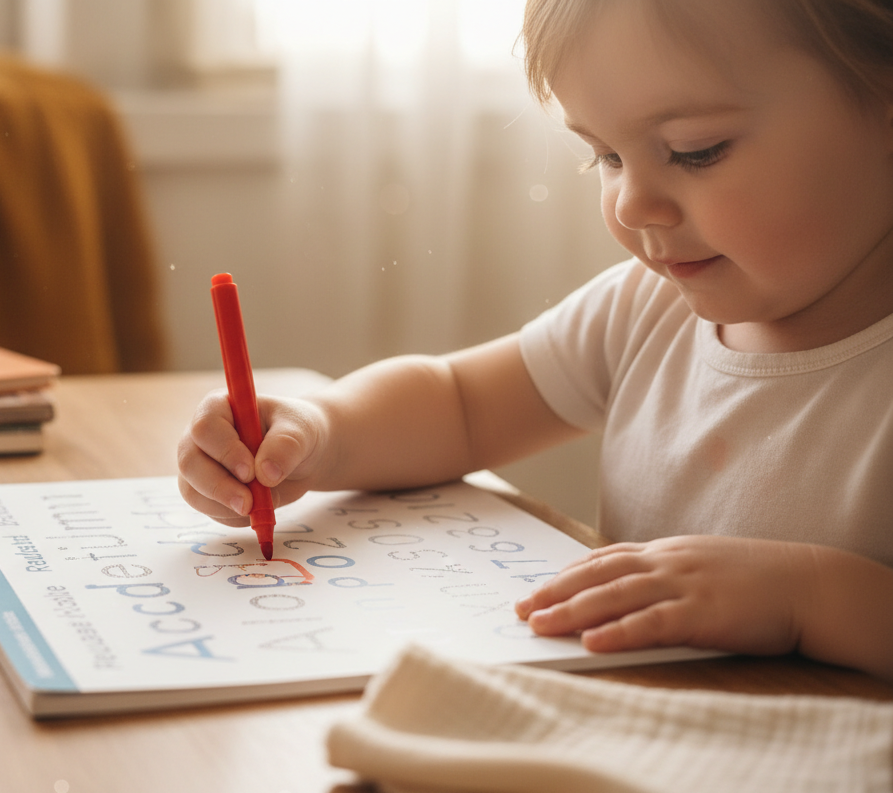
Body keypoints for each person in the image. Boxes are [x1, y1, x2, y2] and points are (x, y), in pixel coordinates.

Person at [176, 0, 893, 682]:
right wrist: (322, 429)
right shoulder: (646, 309)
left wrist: (807, 600)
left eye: (694, 151)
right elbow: (457, 404)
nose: (630, 203)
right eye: (605, 157)